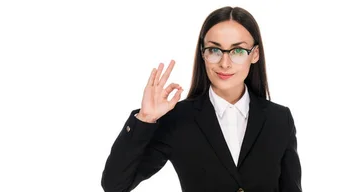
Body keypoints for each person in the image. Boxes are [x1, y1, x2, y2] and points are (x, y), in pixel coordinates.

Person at [101, 6, 301, 192]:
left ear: (255, 54)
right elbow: (115, 185)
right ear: (203, 54)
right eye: (214, 50)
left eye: (238, 51)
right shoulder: (178, 119)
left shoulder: (279, 119)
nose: (225, 63)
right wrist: (144, 118)